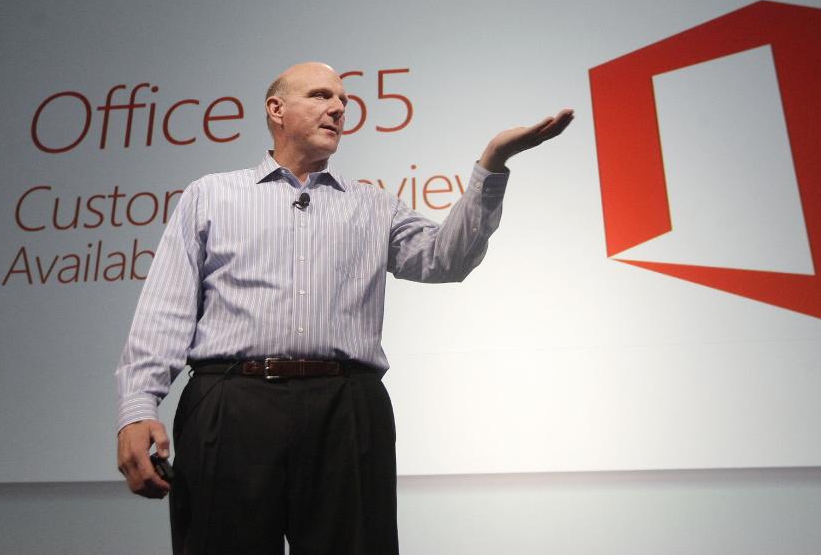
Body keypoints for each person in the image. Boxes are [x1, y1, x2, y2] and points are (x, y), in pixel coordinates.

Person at [115, 61, 573, 554]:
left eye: (343, 102)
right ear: (276, 109)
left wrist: (493, 162)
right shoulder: (211, 195)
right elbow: (166, 309)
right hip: (231, 404)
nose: (337, 108)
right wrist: (138, 407)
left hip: (347, 408)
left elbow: (447, 259)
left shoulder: (374, 205)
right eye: (319, 96)